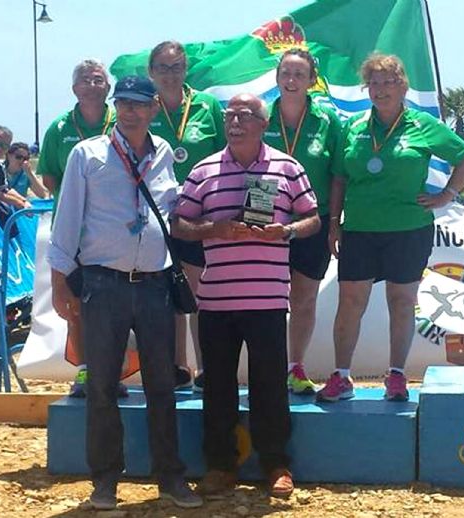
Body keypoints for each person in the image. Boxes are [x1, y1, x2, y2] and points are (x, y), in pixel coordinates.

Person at [47, 75, 202, 510]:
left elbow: (171, 211)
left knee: (162, 384)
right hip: (103, 284)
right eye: (124, 103)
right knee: (101, 386)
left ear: (154, 109)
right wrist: (60, 282)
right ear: (116, 107)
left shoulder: (165, 154)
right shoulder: (87, 154)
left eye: (140, 104)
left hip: (154, 286)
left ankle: (170, 477)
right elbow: (67, 220)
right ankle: (105, 482)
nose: (131, 111)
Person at [173, 93, 320, 498]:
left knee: (269, 384)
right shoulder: (203, 170)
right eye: (229, 116)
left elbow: (313, 218)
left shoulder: (287, 167)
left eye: (244, 115)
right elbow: (180, 223)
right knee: (216, 385)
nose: (235, 122)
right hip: (216, 300)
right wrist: (211, 229)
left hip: (268, 298)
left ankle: (275, 464)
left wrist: (286, 230)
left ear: (263, 122)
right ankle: (220, 467)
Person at [321, 53, 464, 402]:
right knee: (350, 303)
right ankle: (342, 376)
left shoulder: (423, 125)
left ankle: (396, 375)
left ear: (403, 85)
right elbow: (339, 178)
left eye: (387, 82)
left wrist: (447, 195)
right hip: (360, 229)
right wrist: (334, 222)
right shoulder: (354, 127)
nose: (380, 90)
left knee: (402, 301)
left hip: (408, 229)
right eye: (373, 83)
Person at [148, 41, 226, 392]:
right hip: (155, 215)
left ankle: (208, 366)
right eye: (162, 68)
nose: (169, 75)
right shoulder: (144, 107)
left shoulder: (207, 106)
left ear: (186, 69)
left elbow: (227, 154)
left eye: (176, 67)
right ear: (151, 72)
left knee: (200, 292)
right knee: (168, 294)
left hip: (201, 214)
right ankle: (177, 367)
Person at [263, 48, 341, 394]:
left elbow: (338, 175)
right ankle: (268, 367)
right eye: (286, 73)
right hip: (265, 219)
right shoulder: (261, 117)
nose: (292, 81)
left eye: (299, 74)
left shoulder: (327, 121)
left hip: (313, 220)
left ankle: (296, 367)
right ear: (277, 78)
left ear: (312, 80)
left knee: (304, 298)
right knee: (267, 300)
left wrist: (335, 222)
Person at [37, 59, 116, 397]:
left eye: (99, 79)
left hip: (112, 227)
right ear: (75, 89)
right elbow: (50, 177)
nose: (92, 84)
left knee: (114, 304)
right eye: (85, 79)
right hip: (72, 230)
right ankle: (85, 371)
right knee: (75, 302)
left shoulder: (122, 120)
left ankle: (112, 373)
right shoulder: (58, 128)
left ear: (108, 88)